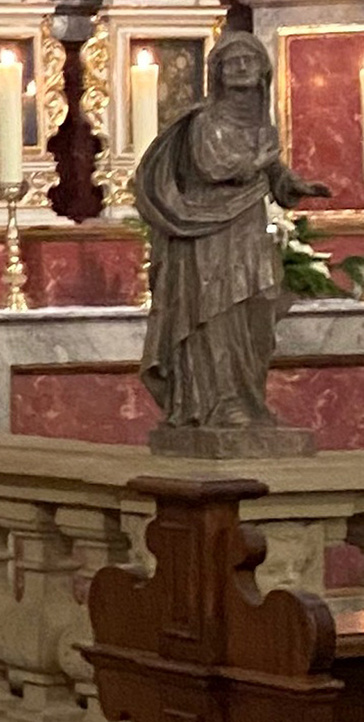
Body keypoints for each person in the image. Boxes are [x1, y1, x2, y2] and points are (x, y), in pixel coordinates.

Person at [134, 35, 327, 434]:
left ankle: (249, 400)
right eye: (232, 61)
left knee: (257, 307)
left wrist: (294, 184)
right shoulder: (205, 122)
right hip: (206, 233)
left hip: (250, 230)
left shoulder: (262, 124)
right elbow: (213, 167)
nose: (241, 67)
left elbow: (273, 176)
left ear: (263, 72)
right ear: (217, 73)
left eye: (249, 60)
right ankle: (218, 405)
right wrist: (258, 164)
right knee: (215, 316)